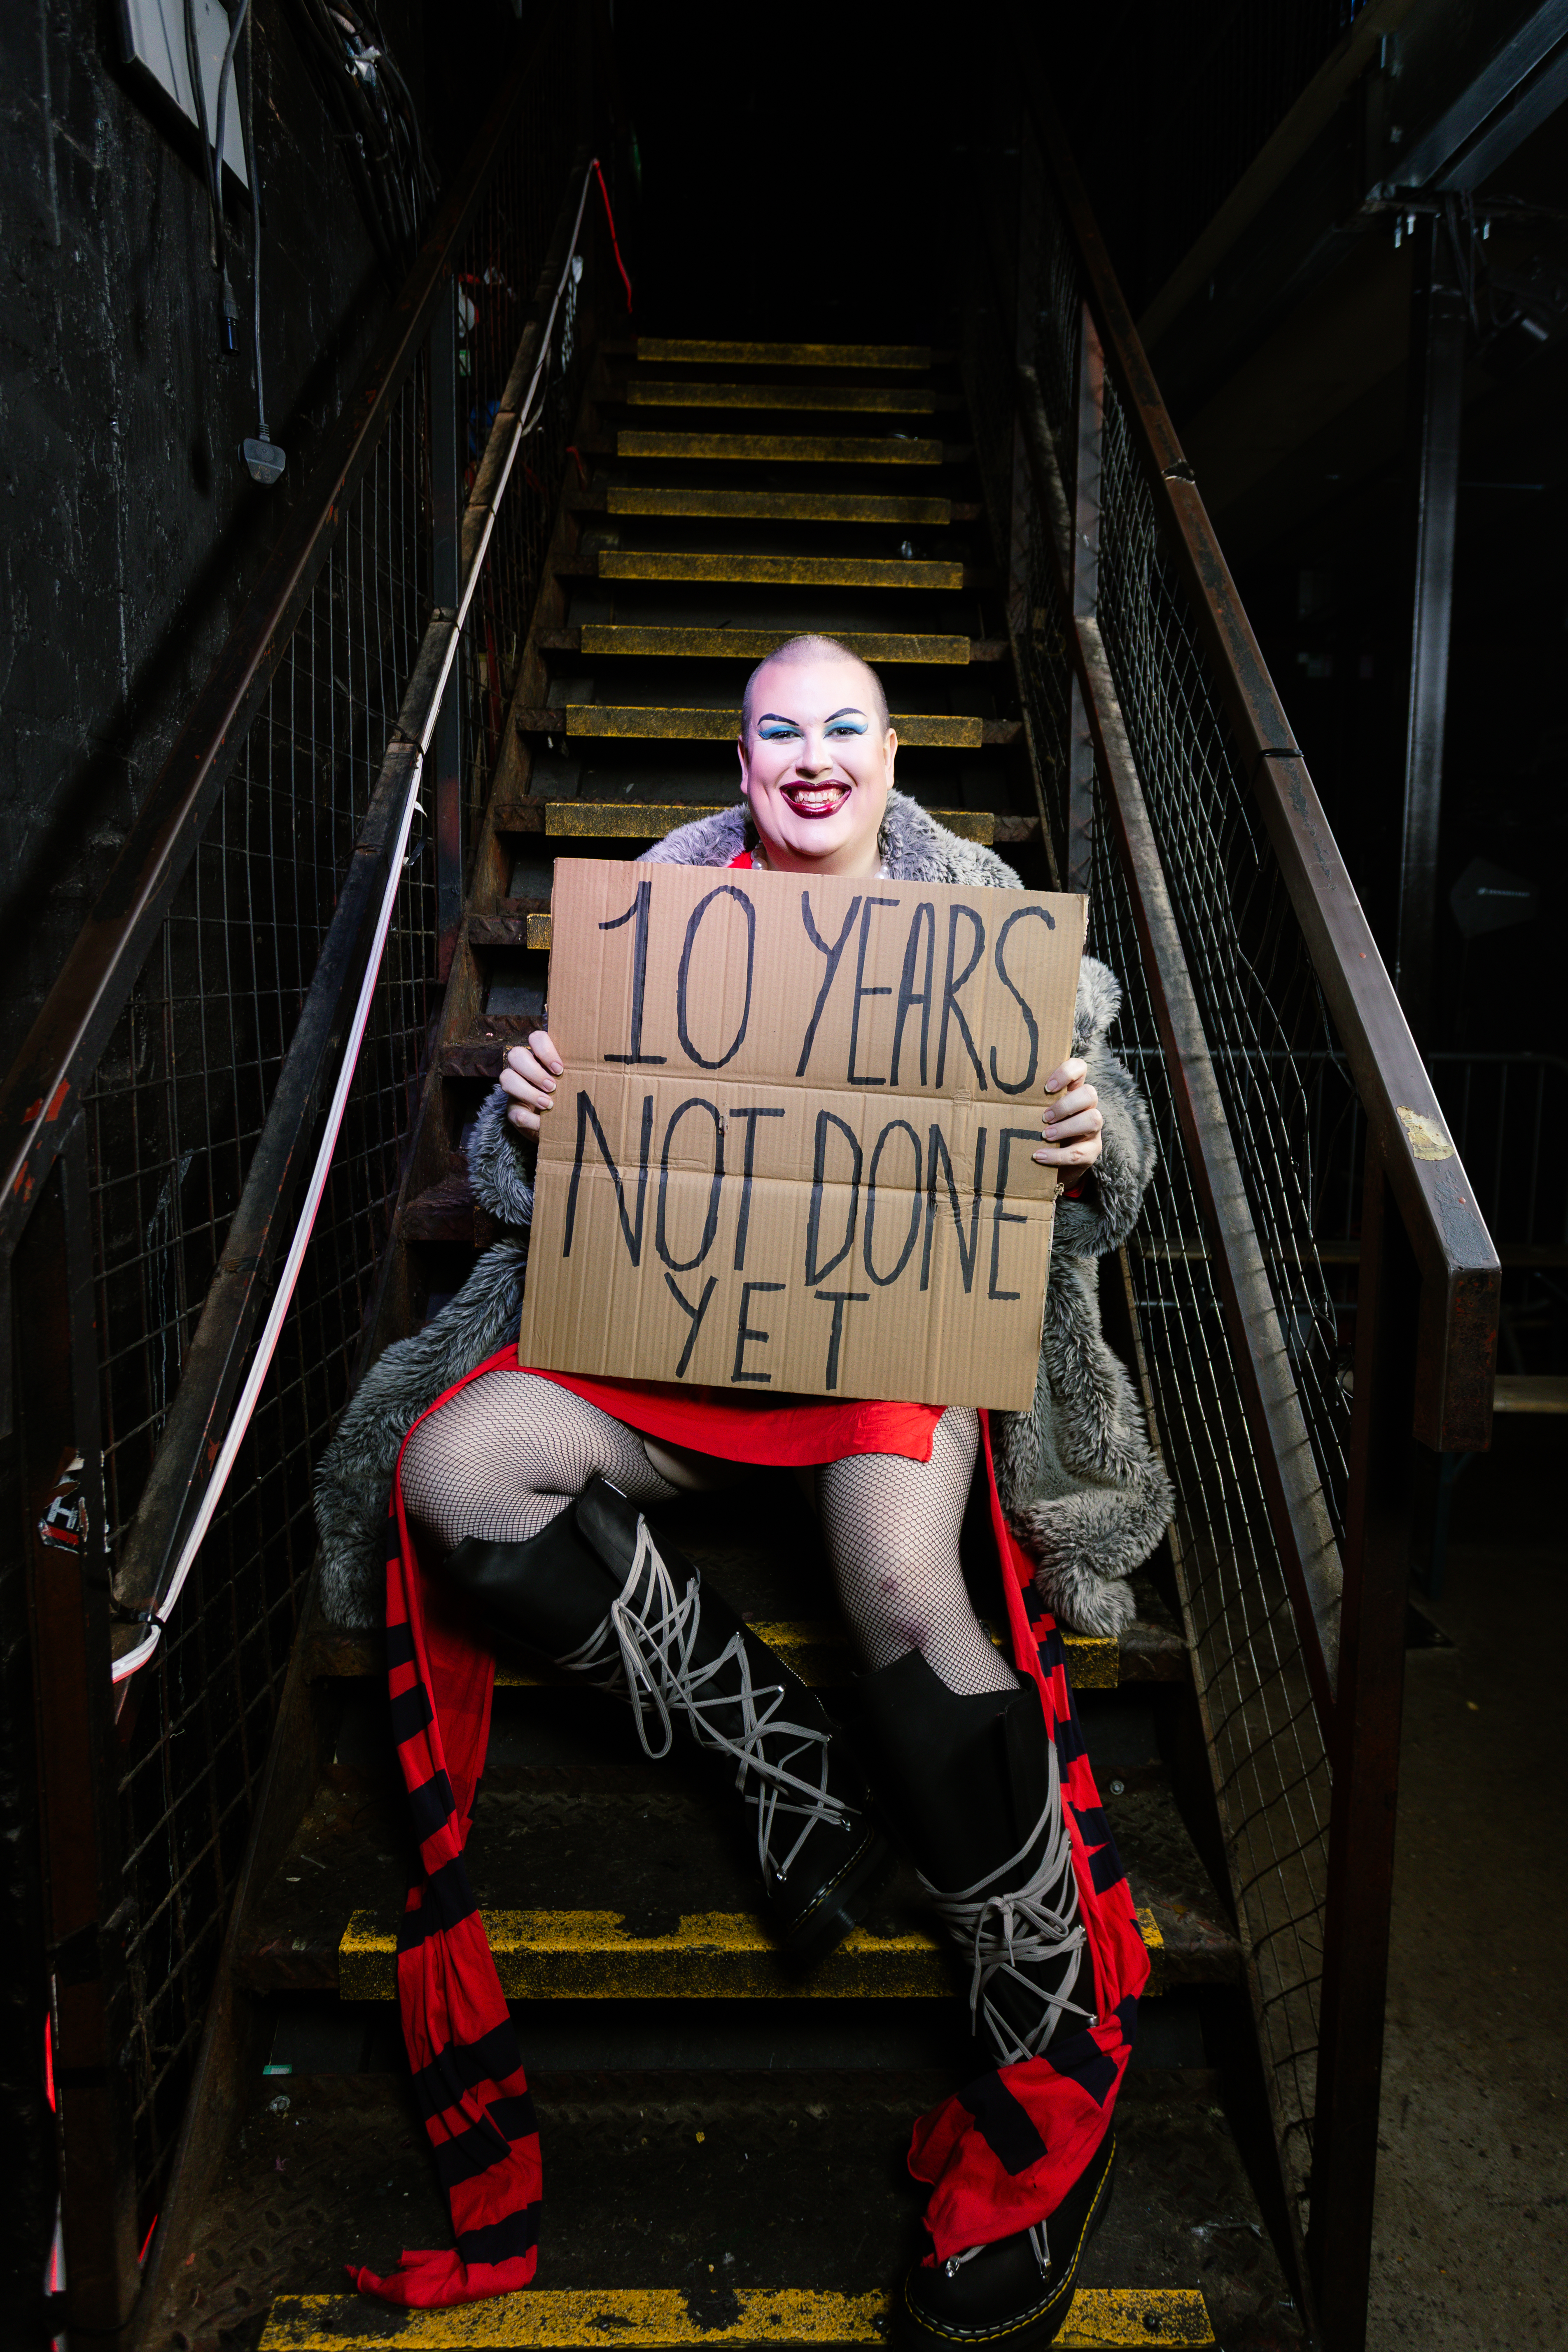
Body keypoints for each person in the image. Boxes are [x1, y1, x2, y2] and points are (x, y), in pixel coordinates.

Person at [316, 635, 1173, 2346]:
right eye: (778, 730)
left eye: (842, 727)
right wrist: (534, 1117)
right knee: (455, 1465)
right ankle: (778, 1767)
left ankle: (1044, 2042)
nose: (810, 757)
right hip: (682, 1345)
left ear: (889, 751)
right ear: (739, 754)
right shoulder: (665, 901)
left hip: (882, 1350)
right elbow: (522, 1174)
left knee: (911, 1595)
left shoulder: (980, 913)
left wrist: (1094, 1135)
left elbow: (1108, 1174)